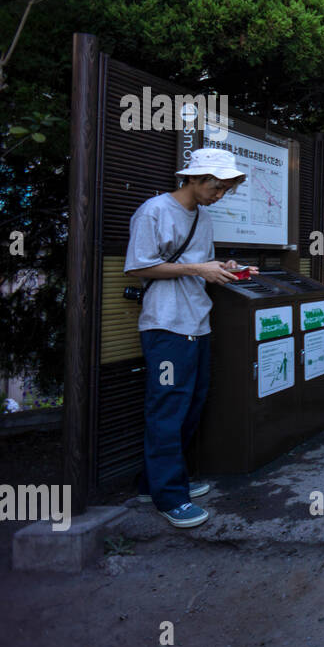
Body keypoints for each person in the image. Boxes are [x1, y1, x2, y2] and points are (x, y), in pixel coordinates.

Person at [124, 148, 247, 528]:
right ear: (193, 178)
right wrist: (198, 267)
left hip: (197, 322)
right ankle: (169, 498)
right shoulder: (154, 211)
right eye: (216, 186)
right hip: (165, 326)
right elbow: (138, 265)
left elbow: (198, 264)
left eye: (226, 188)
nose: (220, 194)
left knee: (191, 405)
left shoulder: (203, 217)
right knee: (167, 410)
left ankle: (156, 483)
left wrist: (225, 268)